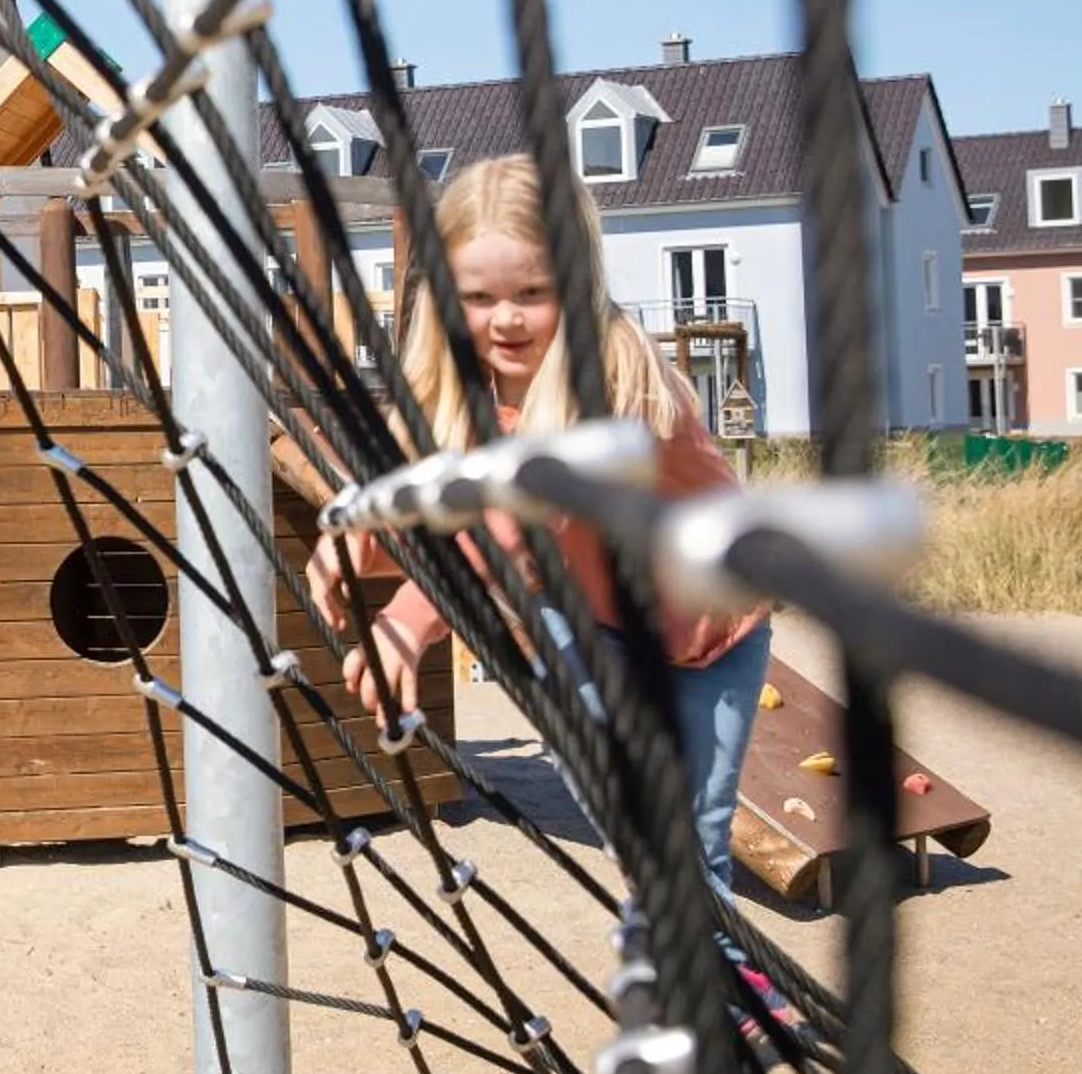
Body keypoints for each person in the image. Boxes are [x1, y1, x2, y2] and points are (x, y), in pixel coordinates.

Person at [306, 154, 774, 892]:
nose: (507, 318)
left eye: (533, 292)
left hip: (716, 635)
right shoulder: (467, 387)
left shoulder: (618, 377)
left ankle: (723, 995)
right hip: (596, 630)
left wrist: (411, 612)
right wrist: (353, 539)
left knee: (696, 842)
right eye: (480, 297)